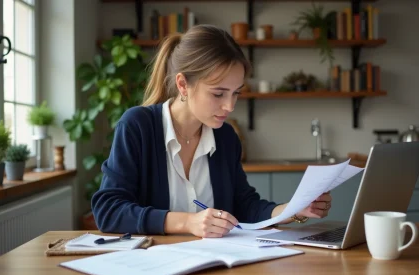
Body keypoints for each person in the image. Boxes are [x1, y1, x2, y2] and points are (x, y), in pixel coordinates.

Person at [91, 24, 332, 238]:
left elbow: (244, 205)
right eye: (218, 93)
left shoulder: (225, 137)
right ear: (183, 84)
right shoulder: (138, 126)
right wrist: (188, 222)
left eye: (235, 92)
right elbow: (109, 210)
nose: (230, 105)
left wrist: (293, 210)